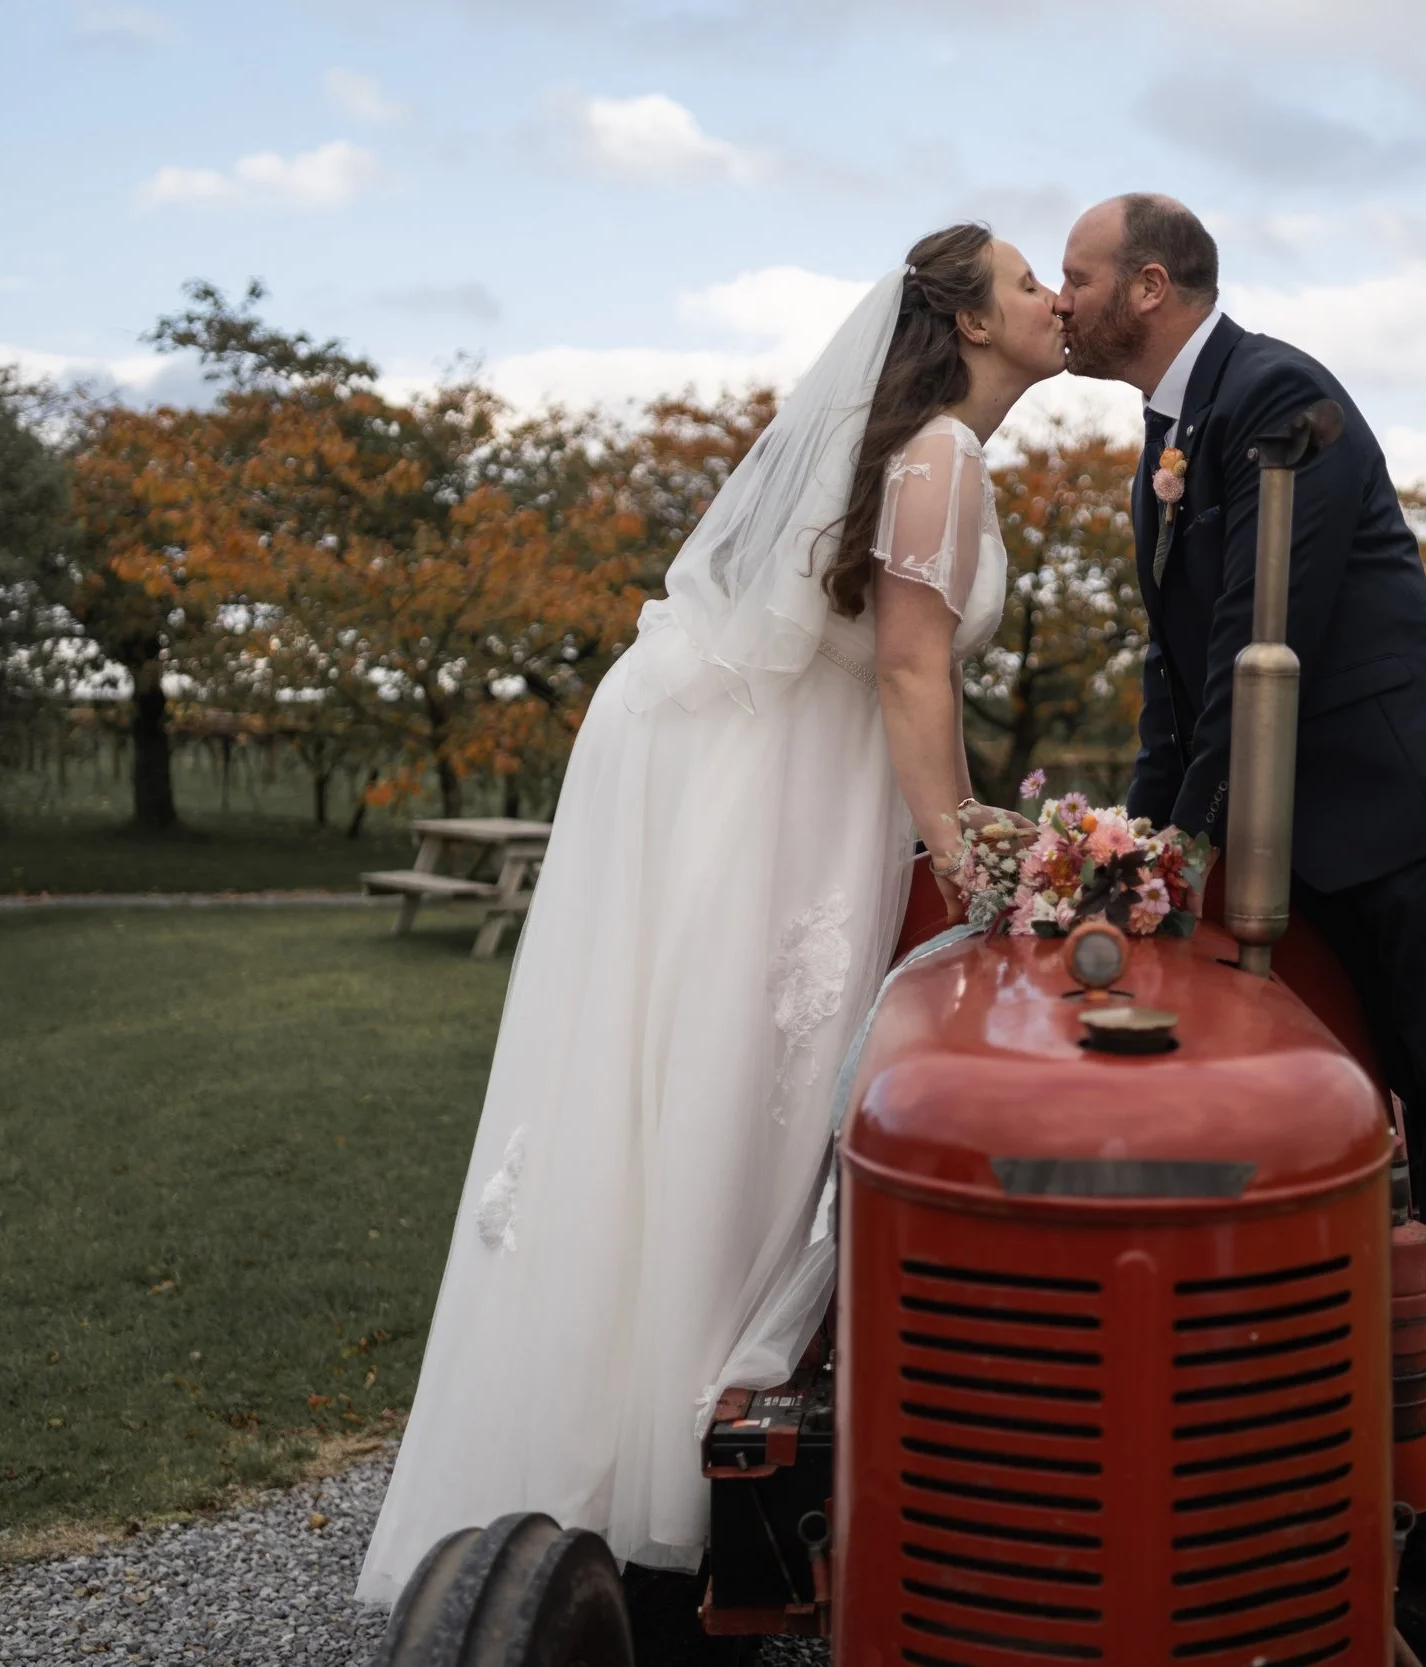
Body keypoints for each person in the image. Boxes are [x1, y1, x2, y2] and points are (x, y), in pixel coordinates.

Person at [355, 223, 1066, 1604]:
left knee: (713, 1087)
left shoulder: (926, 450)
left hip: (780, 772)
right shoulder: (941, 456)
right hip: (762, 791)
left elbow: (906, 677)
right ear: (972, 323)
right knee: (741, 1089)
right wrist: (970, 865)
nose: (1051, 299)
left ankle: (646, 1442)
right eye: (1030, 280)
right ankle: (648, 1461)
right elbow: (913, 679)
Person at [1056, 194, 1426, 1461]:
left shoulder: (1277, 400)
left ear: (1149, 286)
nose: (1061, 301)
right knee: (1331, 1102)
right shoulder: (1162, 446)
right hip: (1301, 818)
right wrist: (1136, 856)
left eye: (1076, 275)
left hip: (1401, 794)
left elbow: (1256, 644)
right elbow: (1176, 686)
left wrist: (1189, 843)